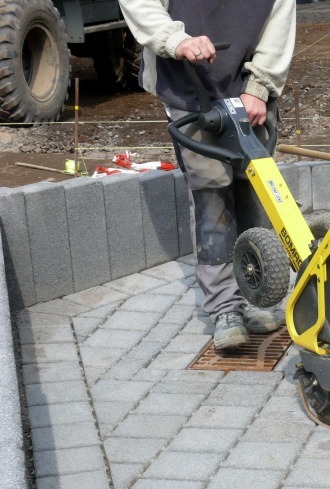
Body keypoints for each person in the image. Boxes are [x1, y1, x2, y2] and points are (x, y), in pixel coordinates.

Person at [118, 0, 296, 350]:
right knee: (212, 194)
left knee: (255, 193)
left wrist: (259, 86)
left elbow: (279, 19)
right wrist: (176, 40)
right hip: (189, 90)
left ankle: (257, 295)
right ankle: (225, 308)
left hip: (250, 94)